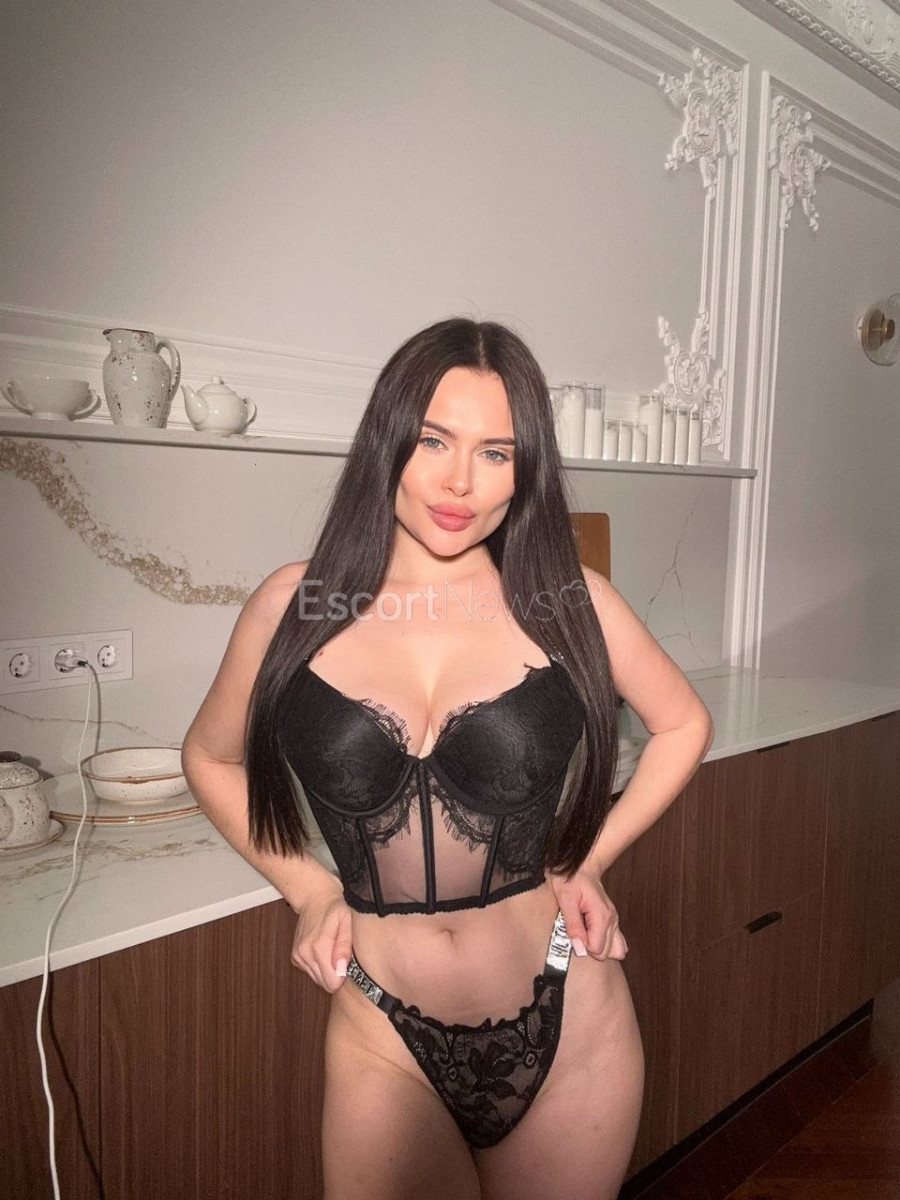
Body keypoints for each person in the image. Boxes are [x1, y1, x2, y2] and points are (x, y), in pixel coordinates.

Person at [181, 317, 714, 1200]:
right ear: (386, 441)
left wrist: (588, 860)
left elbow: (684, 724)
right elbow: (210, 758)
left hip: (571, 1018)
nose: (461, 480)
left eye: (496, 452)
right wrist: (309, 890)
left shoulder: (567, 602)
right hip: (384, 1033)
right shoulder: (294, 605)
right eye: (434, 440)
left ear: (525, 470)